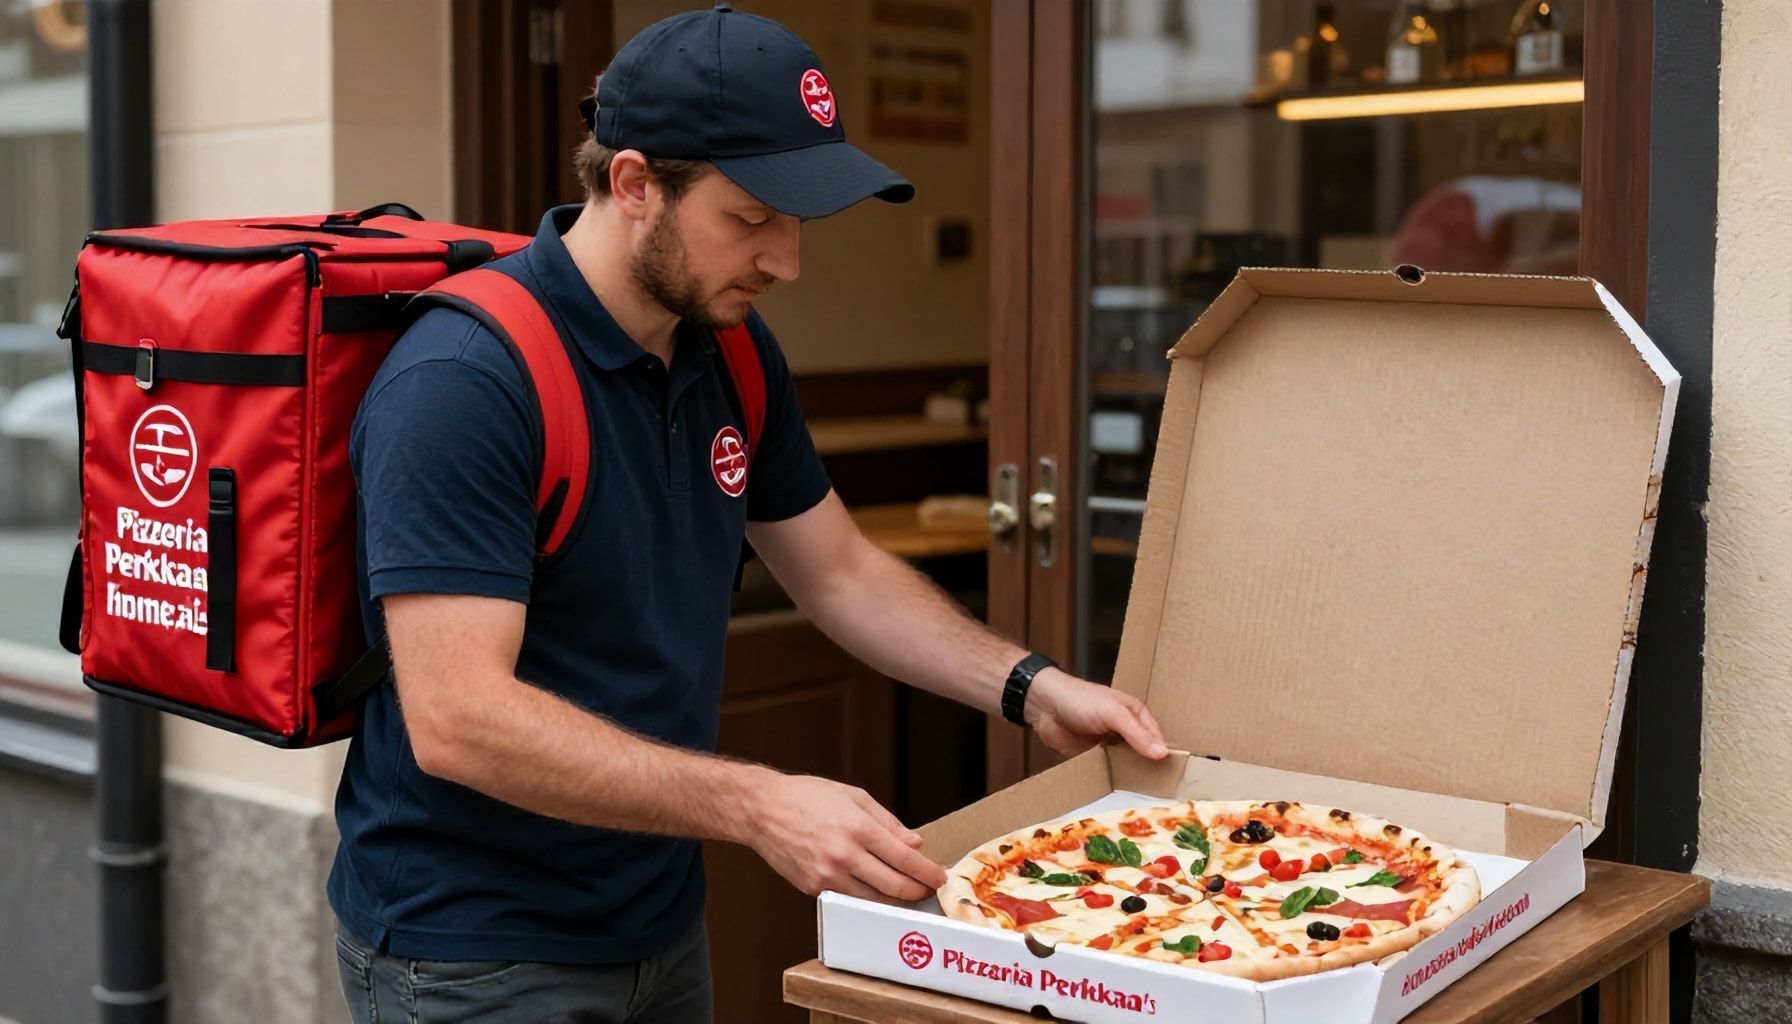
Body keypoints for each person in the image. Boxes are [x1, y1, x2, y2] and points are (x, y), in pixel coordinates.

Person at [328, 5, 1168, 1022]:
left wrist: (1029, 687)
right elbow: (459, 720)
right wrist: (757, 802)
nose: (787, 260)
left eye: (798, 220)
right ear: (635, 183)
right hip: (472, 950)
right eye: (751, 217)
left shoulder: (727, 348)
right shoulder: (464, 380)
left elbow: (839, 572)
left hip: (657, 915)